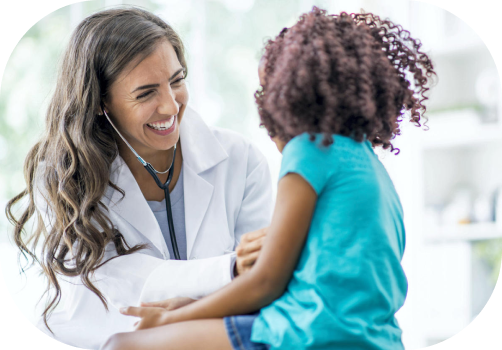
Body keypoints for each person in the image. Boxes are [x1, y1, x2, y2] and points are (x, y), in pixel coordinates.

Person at [108, 7, 437, 350]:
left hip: (309, 335)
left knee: (123, 344)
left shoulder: (311, 151)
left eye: (267, 93)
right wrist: (195, 307)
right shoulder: (367, 165)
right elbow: (314, 283)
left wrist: (171, 318)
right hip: (373, 337)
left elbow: (267, 280)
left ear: (291, 98)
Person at [5, 7, 273, 350]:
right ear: (101, 103)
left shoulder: (241, 160)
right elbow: (108, 287)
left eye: (177, 81)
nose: (170, 106)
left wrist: (192, 313)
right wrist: (226, 276)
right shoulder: (64, 178)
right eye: (146, 93)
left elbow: (264, 281)